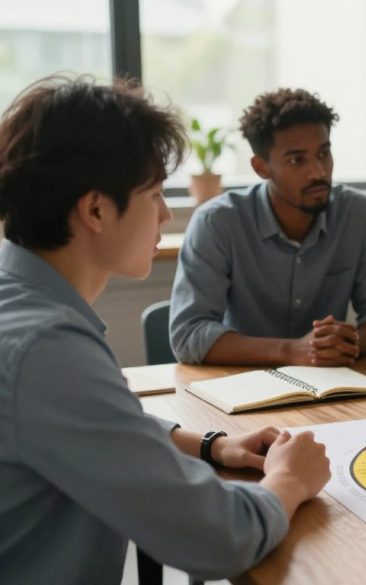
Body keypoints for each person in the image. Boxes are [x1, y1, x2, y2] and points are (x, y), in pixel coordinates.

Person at [0, 77, 331, 583]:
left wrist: (212, 445)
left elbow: (97, 427)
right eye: (154, 193)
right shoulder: (46, 349)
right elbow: (218, 539)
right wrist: (288, 479)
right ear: (96, 209)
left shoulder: (22, 306)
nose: (166, 213)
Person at [170, 88, 366, 366]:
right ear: (261, 167)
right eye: (297, 159)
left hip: (331, 381)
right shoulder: (217, 222)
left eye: (324, 153)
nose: (318, 172)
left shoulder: (358, 215)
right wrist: (292, 351)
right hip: (242, 380)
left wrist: (344, 345)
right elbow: (189, 334)